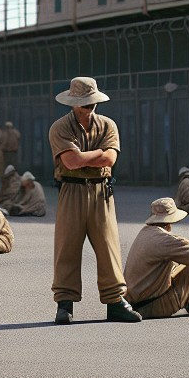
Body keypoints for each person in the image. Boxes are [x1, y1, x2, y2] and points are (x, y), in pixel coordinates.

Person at [48, 77, 138, 325]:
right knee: (67, 247)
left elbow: (109, 160)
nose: (88, 107)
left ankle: (115, 301)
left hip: (101, 192)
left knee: (109, 247)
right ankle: (64, 304)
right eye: (83, 103)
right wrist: (96, 154)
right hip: (71, 191)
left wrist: (88, 155)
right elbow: (71, 162)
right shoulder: (60, 128)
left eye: (91, 102)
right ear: (73, 104)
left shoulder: (108, 125)